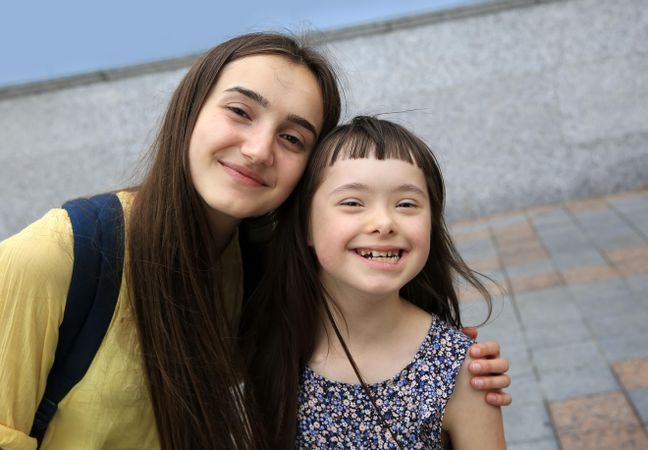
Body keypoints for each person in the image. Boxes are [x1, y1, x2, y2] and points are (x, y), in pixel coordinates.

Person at [0, 33, 509, 450]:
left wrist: (438, 364)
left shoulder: (260, 271)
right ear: (190, 109)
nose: (259, 149)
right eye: (241, 111)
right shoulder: (57, 255)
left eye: (293, 138)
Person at [240, 116, 506, 449]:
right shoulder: (261, 346)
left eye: (406, 204)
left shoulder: (460, 369)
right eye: (352, 202)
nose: (383, 222)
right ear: (306, 225)